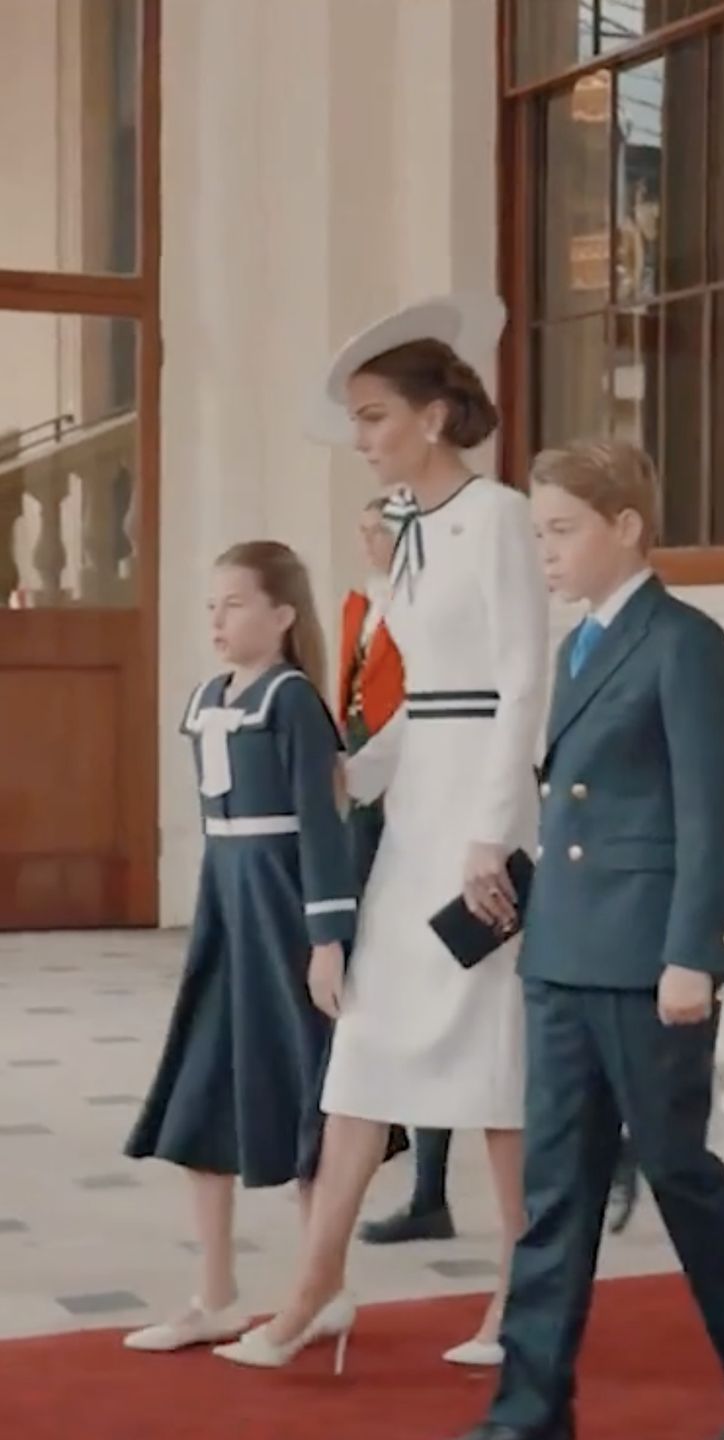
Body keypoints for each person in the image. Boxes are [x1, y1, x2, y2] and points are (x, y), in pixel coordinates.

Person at [451, 441, 724, 1440]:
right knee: (554, 1192)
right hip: (563, 955)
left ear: (625, 526)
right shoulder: (579, 646)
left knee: (679, 1173)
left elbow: (712, 812)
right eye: (536, 534)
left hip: (648, 960)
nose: (545, 553)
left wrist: (694, 951)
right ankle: (526, 1412)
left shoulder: (682, 640)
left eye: (562, 530)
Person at [215, 292, 549, 1373]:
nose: (360, 439)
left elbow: (517, 679)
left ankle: (522, 1298)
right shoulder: (407, 535)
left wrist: (492, 835)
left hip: (482, 821)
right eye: (357, 420)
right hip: (419, 818)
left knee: (495, 1066)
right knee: (362, 1040)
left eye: (373, 417)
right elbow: (422, 694)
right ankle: (314, 1288)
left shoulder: (499, 514)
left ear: (435, 417)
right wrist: (359, 770)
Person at [123, 542, 358, 1363]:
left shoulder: (292, 702)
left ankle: (319, 1289)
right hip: (226, 900)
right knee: (204, 1081)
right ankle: (215, 1294)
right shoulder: (207, 698)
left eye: (236, 604)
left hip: (281, 908)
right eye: (212, 605)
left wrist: (327, 939)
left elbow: (323, 828)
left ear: (283, 615)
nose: (218, 620)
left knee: (303, 1082)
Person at [339, 496, 456, 1241]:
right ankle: (386, 1133)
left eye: (385, 528)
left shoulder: (437, 613)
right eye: (369, 525)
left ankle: (427, 1184)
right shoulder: (361, 604)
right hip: (368, 783)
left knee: (438, 986)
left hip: (421, 792)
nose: (371, 539)